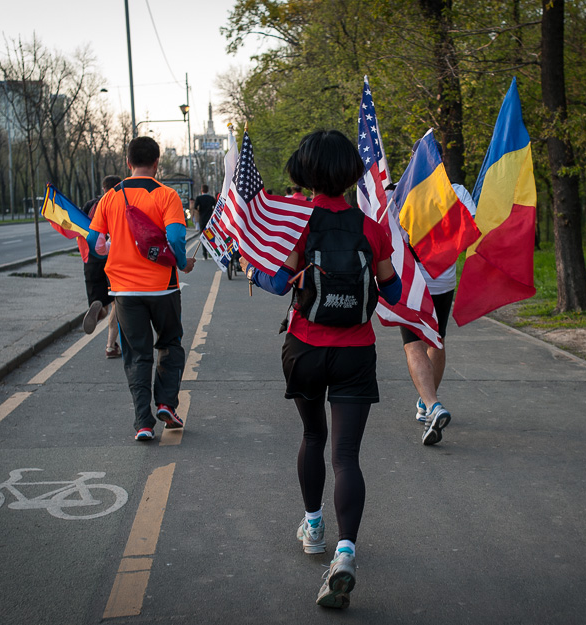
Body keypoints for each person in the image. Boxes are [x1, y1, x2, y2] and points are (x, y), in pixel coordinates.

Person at [239, 130, 402, 610]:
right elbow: (391, 294)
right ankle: (346, 553)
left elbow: (275, 283)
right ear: (351, 173)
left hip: (305, 347)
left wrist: (251, 270)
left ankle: (313, 528)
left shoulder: (297, 224)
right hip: (357, 351)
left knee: (313, 437)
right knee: (346, 455)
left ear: (306, 173)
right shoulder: (371, 228)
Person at [87, 136, 197, 442]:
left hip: (124, 290)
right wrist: (181, 263)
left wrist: (113, 249)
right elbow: (175, 238)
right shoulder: (167, 195)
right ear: (157, 163)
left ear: (127, 163)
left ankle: (143, 423)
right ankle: (166, 404)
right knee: (170, 344)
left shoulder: (110, 198)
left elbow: (94, 244)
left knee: (136, 355)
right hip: (163, 288)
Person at [398, 140, 477, 446]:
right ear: (441, 159)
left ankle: (430, 403)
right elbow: (471, 228)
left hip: (411, 282)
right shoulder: (458, 192)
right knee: (437, 339)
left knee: (413, 345)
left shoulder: (401, 192)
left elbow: (392, 236)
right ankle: (426, 402)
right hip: (442, 281)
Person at [80, 175, 123, 358]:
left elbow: (81, 230)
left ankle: (98, 309)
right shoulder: (118, 203)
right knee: (117, 304)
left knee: (101, 302)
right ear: (118, 188)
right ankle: (110, 346)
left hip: (90, 260)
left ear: (103, 188)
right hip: (111, 258)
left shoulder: (90, 205)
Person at [194, 184, 215, 260]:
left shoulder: (199, 198)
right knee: (210, 236)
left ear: (201, 190)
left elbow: (195, 207)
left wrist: (200, 211)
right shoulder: (211, 198)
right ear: (208, 190)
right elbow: (215, 207)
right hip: (209, 220)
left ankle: (204, 254)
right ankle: (211, 253)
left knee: (203, 237)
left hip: (202, 220)